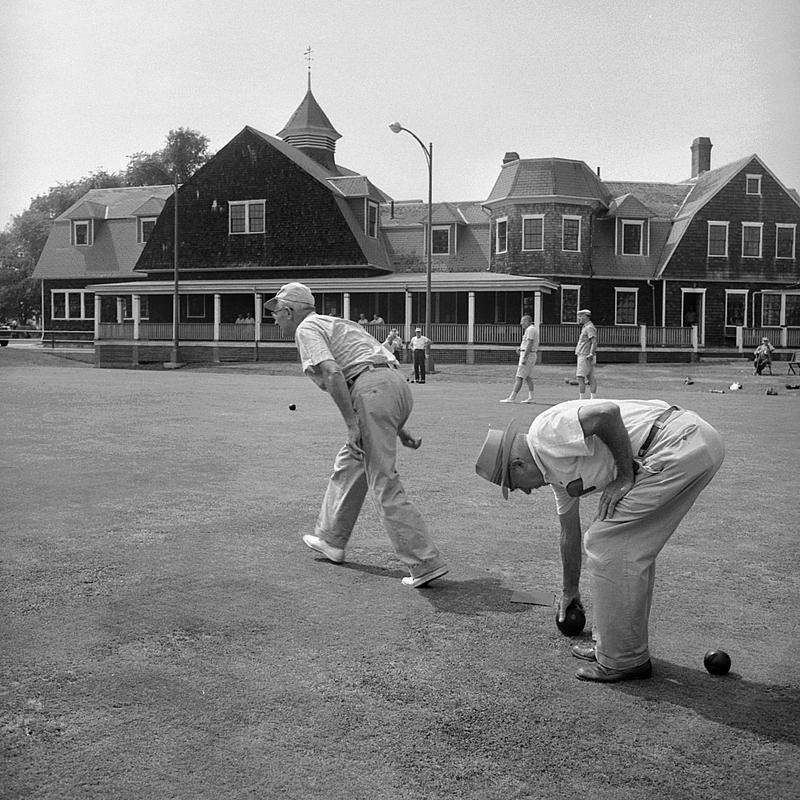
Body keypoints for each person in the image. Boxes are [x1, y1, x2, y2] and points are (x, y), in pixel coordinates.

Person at [475, 398, 724, 683]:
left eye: (517, 487)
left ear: (518, 465)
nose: (527, 492)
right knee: (625, 546)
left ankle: (623, 659)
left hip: (677, 443)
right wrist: (569, 590)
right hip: (684, 445)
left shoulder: (545, 433)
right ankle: (616, 648)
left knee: (608, 542)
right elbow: (569, 532)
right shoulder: (556, 475)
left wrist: (624, 475)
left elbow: (606, 414)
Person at [265, 282, 447, 588]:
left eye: (276, 313)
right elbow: (370, 363)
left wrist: (353, 425)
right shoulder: (334, 322)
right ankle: (331, 539)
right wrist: (399, 429)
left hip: (373, 390)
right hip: (394, 386)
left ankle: (424, 561)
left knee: (382, 480)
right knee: (350, 461)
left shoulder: (306, 328)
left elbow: (335, 372)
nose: (274, 319)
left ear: (288, 310)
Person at [500, 315, 539, 404]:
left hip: (528, 355)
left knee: (519, 377)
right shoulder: (529, 330)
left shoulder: (530, 329)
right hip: (528, 354)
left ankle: (512, 397)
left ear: (528, 321)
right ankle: (531, 397)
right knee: (527, 377)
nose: (521, 323)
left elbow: (529, 343)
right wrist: (521, 349)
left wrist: (525, 356)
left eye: (523, 321)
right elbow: (526, 343)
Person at [575, 309, 598, 399]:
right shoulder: (586, 327)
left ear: (585, 316)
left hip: (585, 355)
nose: (579, 318)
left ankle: (582, 399)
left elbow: (594, 342)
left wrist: (591, 354)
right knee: (590, 377)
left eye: (581, 316)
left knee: (580, 377)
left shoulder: (589, 327)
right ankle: (593, 398)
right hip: (584, 354)